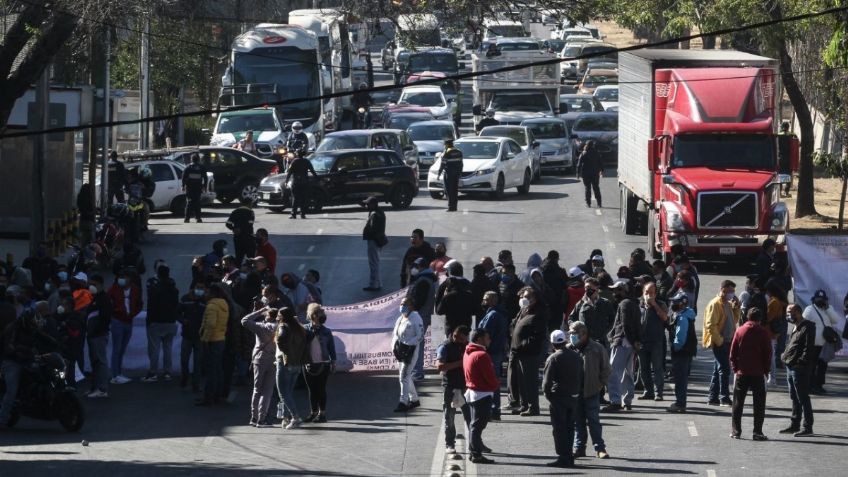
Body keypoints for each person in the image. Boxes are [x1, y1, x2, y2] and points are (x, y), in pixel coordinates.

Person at [567, 321, 610, 460]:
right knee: (577, 422)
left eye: (574, 333)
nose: (571, 336)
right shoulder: (568, 349)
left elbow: (606, 369)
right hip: (574, 393)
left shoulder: (597, 348)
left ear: (584, 334)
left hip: (591, 391)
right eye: (570, 333)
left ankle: (600, 448)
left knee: (594, 421)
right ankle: (579, 448)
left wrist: (600, 385)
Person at [729, 307, 772, 441]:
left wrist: (736, 369)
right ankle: (757, 432)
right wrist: (766, 371)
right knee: (759, 404)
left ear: (747, 317)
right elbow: (768, 354)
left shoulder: (740, 330)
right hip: (758, 372)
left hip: (742, 372)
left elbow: (733, 353)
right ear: (760, 318)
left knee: (737, 403)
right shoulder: (764, 332)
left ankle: (736, 431)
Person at [543, 329, 583, 468]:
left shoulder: (553, 358)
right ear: (565, 341)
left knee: (559, 428)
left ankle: (563, 456)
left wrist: (549, 395)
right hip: (573, 396)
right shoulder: (577, 356)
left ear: (553, 343)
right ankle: (569, 455)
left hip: (559, 397)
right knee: (570, 427)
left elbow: (547, 382)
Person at [508, 287, 547, 416]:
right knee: (521, 381)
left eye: (528, 297)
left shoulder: (539, 313)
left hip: (528, 353)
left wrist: (525, 345)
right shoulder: (524, 310)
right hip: (518, 351)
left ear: (535, 298)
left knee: (529, 381)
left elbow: (538, 335)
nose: (525, 299)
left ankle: (533, 407)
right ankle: (524, 405)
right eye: (524, 296)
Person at [602, 280, 641, 412]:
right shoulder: (634, 303)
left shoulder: (624, 304)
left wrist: (632, 340)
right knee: (627, 373)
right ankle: (627, 401)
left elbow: (625, 325)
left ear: (624, 291)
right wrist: (636, 341)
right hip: (630, 344)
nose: (614, 292)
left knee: (613, 372)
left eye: (617, 290)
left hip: (622, 342)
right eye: (613, 290)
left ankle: (615, 401)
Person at [703, 280, 741, 406]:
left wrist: (737, 307)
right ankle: (724, 397)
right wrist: (719, 341)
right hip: (721, 341)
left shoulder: (728, 304)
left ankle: (712, 397)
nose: (732, 294)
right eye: (730, 291)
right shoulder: (716, 304)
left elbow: (734, 320)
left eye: (733, 291)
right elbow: (710, 325)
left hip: (728, 341)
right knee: (724, 369)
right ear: (723, 290)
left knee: (718, 369)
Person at [464, 328, 499, 464]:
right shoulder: (482, 355)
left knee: (475, 425)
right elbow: (489, 376)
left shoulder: (469, 352)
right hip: (482, 393)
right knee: (478, 426)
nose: (489, 340)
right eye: (487, 337)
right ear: (479, 339)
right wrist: (495, 385)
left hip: (473, 392)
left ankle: (474, 452)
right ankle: (476, 454)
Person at [780, 304, 816, 436]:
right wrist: (784, 357)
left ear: (798, 312)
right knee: (794, 397)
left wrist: (800, 363)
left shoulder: (808, 327)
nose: (788, 315)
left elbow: (808, 349)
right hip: (790, 366)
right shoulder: (796, 326)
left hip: (799, 368)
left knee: (803, 397)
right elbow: (792, 345)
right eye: (787, 312)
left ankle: (807, 427)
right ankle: (795, 424)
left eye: (790, 312)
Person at [242, 306, 279, 427]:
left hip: (259, 358)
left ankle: (254, 417)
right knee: (268, 390)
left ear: (267, 316)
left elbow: (245, 320)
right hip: (273, 359)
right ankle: (262, 419)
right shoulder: (280, 327)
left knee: (257, 389)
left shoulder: (260, 326)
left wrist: (259, 311)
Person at [437, 325, 471, 454]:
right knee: (449, 417)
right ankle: (450, 444)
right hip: (450, 386)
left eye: (464, 339)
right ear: (454, 335)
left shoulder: (466, 344)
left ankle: (475, 443)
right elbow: (440, 366)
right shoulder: (445, 347)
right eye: (461, 339)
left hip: (465, 386)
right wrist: (461, 362)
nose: (463, 341)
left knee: (470, 417)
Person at [143, 265, 179, 382]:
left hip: (156, 322)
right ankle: (167, 372)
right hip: (170, 322)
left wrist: (149, 321)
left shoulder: (155, 288)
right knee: (167, 348)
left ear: (158, 274)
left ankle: (153, 372)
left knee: (154, 348)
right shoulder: (174, 289)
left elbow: (151, 306)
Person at [802, 289, 842, 394]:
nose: (821, 301)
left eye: (822, 299)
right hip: (813, 344)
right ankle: (810, 386)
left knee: (822, 367)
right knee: (812, 366)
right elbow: (803, 325)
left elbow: (836, 320)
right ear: (814, 299)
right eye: (818, 299)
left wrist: (828, 308)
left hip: (825, 344)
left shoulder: (828, 309)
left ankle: (819, 385)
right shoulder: (809, 309)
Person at [274, 306, 308, 428]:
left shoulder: (283, 326)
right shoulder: (299, 328)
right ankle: (285, 418)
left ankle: (295, 417)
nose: (277, 317)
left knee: (283, 393)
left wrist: (284, 353)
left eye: (278, 315)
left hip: (285, 363)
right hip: (297, 364)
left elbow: (280, 340)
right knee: (288, 392)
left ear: (282, 316)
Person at [107, 271, 142, 384]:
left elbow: (139, 304)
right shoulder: (113, 289)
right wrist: (116, 311)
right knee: (117, 349)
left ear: (129, 279)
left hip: (128, 321)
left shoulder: (135, 289)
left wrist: (133, 313)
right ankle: (114, 375)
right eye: (120, 277)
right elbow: (108, 302)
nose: (121, 279)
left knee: (122, 349)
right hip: (117, 321)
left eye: (124, 277)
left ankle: (119, 372)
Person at [197, 283, 229, 406]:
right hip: (221, 338)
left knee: (211, 370)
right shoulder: (223, 304)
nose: (205, 294)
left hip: (212, 340)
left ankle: (208, 397)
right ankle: (217, 395)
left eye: (207, 292)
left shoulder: (211, 306)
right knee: (217, 369)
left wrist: (204, 339)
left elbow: (210, 324)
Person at [303, 304, 336, 423]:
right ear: (313, 315)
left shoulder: (326, 331)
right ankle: (313, 412)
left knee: (321, 389)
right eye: (319, 314)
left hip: (324, 363)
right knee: (311, 389)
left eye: (322, 314)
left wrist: (333, 361)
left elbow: (331, 347)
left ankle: (322, 414)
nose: (322, 316)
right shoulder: (305, 329)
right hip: (308, 363)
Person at [636, 282, 668, 401]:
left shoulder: (661, 304)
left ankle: (658, 392)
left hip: (656, 341)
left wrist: (654, 305)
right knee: (643, 368)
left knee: (657, 368)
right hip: (642, 342)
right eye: (646, 292)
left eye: (651, 293)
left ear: (655, 294)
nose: (649, 295)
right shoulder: (639, 305)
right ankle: (648, 391)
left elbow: (665, 318)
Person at [392, 297, 424, 412]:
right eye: (401, 303)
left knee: (403, 376)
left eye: (405, 304)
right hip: (400, 352)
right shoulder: (400, 319)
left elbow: (420, 336)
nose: (402, 306)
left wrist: (408, 344)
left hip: (410, 352)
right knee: (406, 376)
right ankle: (414, 400)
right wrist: (394, 347)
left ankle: (403, 401)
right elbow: (395, 334)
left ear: (411, 306)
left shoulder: (416, 318)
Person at [667, 291, 697, 412]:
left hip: (682, 352)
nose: (673, 304)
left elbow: (680, 336)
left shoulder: (682, 317)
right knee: (682, 378)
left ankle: (680, 404)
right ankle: (680, 402)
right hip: (687, 351)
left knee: (680, 378)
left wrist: (675, 347)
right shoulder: (686, 314)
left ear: (682, 304)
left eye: (675, 302)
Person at [478, 291, 507, 418]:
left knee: (491, 380)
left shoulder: (493, 315)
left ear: (493, 301)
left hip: (491, 352)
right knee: (493, 380)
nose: (483, 302)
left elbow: (485, 334)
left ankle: (493, 409)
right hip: (495, 351)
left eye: (486, 299)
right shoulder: (493, 313)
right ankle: (493, 409)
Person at [407, 258, 437, 381]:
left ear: (421, 267)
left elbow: (419, 301)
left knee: (416, 344)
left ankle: (417, 372)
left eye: (416, 266)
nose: (414, 269)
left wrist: (410, 310)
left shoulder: (423, 281)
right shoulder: (427, 279)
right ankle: (416, 370)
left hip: (419, 316)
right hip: (423, 315)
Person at [85, 275, 112, 398]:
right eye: (90, 284)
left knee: (100, 362)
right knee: (95, 362)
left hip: (99, 335)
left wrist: (96, 331)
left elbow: (105, 319)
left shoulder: (104, 299)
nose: (91, 287)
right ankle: (95, 388)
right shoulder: (94, 298)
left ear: (101, 285)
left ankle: (102, 389)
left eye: (94, 284)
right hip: (93, 335)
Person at [568, 277, 615, 347]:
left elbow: (613, 320)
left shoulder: (605, 303)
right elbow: (571, 319)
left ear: (596, 288)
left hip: (602, 342)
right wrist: (576, 329)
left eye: (589, 287)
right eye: (585, 288)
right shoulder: (580, 304)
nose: (586, 290)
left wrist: (606, 333)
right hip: (585, 342)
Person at [178, 281, 206, 391]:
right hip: (187, 334)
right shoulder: (185, 299)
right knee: (184, 359)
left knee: (198, 361)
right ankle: (185, 376)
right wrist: (182, 320)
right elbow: (177, 312)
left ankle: (196, 383)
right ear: (194, 288)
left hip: (200, 335)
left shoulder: (206, 301)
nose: (200, 290)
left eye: (202, 288)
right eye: (198, 287)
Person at [284, 147, 319, 219]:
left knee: (295, 198)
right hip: (305, 182)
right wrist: (317, 178)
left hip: (296, 182)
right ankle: (303, 214)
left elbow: (289, 172)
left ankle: (293, 214)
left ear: (297, 154)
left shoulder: (294, 161)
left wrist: (286, 181)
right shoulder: (306, 161)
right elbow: (312, 171)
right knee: (303, 199)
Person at [362, 196, 387, 292]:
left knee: (373, 264)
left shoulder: (374, 214)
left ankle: (374, 285)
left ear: (373, 204)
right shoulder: (379, 212)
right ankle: (378, 283)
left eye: (368, 204)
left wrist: (367, 232)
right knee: (376, 262)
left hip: (373, 241)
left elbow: (372, 228)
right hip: (378, 240)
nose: (367, 205)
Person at [438, 138, 463, 212]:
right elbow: (461, 164)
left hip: (449, 174)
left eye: (444, 144)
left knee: (448, 191)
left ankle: (450, 207)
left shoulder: (447, 152)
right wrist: (460, 173)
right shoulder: (459, 152)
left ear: (446, 145)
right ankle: (455, 206)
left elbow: (442, 164)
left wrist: (439, 174)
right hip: (456, 174)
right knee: (455, 190)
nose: (444, 146)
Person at [182, 153, 208, 223]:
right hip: (198, 188)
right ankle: (198, 218)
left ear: (191, 159)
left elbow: (183, 177)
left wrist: (183, 186)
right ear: (199, 159)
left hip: (189, 188)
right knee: (197, 203)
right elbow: (205, 178)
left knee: (189, 202)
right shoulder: (201, 167)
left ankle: (187, 218)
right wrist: (205, 187)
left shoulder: (188, 167)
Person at [576, 140, 603, 208]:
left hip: (586, 174)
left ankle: (588, 203)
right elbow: (600, 162)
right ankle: (599, 203)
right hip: (595, 173)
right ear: (593, 145)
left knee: (587, 188)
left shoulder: (583, 153)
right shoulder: (596, 153)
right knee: (596, 188)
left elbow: (578, 164)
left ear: (586, 145)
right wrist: (602, 170)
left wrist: (578, 173)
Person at [76, 184, 97, 249]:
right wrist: (93, 212)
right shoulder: (89, 197)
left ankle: (83, 255)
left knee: (83, 241)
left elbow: (80, 208)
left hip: (82, 220)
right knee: (91, 242)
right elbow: (91, 210)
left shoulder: (79, 197)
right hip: (89, 221)